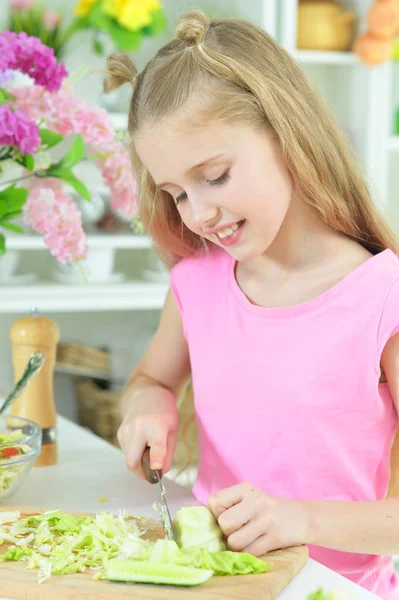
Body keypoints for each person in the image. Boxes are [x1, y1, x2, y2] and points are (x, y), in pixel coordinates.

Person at [104, 9, 399, 599]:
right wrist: (148, 407)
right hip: (210, 583)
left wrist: (301, 520)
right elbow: (151, 380)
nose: (196, 214)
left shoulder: (381, 299)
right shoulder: (198, 284)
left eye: (214, 175)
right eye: (176, 193)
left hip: (332, 589)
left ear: (287, 132)